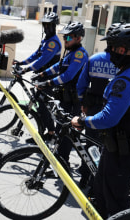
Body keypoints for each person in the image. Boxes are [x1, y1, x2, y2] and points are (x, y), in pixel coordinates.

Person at [71, 23, 130, 218]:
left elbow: (107, 119)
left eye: (111, 47)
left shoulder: (124, 81)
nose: (108, 51)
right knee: (100, 189)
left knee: (116, 201)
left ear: (121, 49)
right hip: (125, 143)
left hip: (123, 148)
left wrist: (83, 121)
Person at [33, 21, 88, 164]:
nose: (65, 40)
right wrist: (42, 74)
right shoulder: (70, 53)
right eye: (64, 37)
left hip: (74, 101)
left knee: (67, 136)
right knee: (60, 132)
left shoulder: (80, 54)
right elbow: (58, 66)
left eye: (69, 37)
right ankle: (60, 164)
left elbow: (68, 75)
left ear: (78, 38)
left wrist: (48, 83)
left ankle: (64, 164)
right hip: (65, 98)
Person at [75, 50, 119, 188]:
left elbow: (81, 84)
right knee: (107, 145)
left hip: (93, 108)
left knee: (90, 144)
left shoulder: (94, 59)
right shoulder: (123, 63)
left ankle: (85, 176)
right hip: (112, 109)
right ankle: (98, 182)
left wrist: (83, 103)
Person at [15, 12, 61, 142]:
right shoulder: (46, 40)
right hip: (41, 77)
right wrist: (22, 63)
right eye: (45, 25)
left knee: (42, 106)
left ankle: (50, 133)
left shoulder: (53, 43)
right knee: (39, 106)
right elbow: (36, 55)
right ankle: (43, 132)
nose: (47, 28)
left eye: (49, 25)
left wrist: (26, 70)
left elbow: (43, 60)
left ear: (54, 26)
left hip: (48, 78)